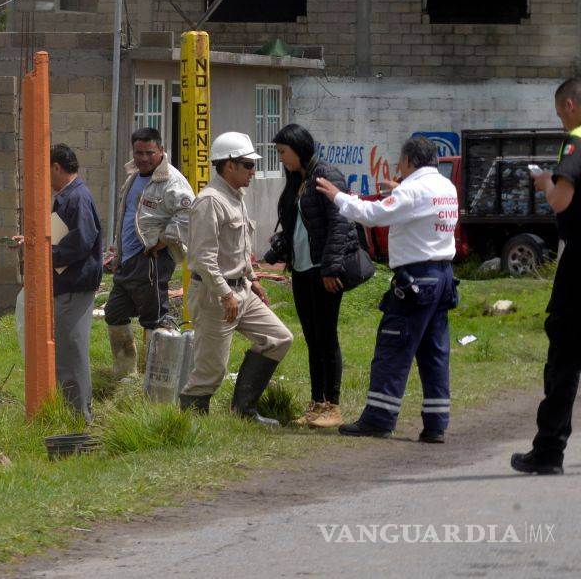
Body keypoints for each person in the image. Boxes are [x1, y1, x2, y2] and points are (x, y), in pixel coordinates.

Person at [315, 136, 459, 442]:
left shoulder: (414, 189)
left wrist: (338, 196)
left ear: (408, 161)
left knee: (394, 346)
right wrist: (398, 193)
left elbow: (372, 215)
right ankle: (436, 424)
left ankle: (379, 419)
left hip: (417, 278)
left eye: (400, 163)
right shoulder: (445, 186)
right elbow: (416, 208)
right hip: (443, 276)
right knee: (434, 352)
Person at [179, 132, 293, 424]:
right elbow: (203, 259)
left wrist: (253, 280)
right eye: (247, 165)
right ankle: (191, 426)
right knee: (211, 369)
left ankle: (244, 411)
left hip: (240, 289)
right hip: (216, 295)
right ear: (229, 165)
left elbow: (238, 249)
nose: (254, 171)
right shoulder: (209, 202)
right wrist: (225, 293)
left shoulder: (235, 196)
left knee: (278, 338)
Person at [264, 124, 360, 428]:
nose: (281, 159)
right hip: (303, 272)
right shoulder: (297, 181)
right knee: (313, 339)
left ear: (299, 148)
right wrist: (277, 252)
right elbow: (296, 227)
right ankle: (317, 403)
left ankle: (332, 405)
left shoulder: (327, 177)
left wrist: (331, 269)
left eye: (283, 152)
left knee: (327, 337)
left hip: (324, 271)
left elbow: (340, 224)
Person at [512, 78, 581, 474]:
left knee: (564, 356)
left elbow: (562, 198)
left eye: (560, 114)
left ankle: (549, 451)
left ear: (570, 105)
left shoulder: (575, 141)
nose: (560, 122)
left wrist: (544, 183)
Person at [9, 145, 104, 419]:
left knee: (71, 354)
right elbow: (60, 238)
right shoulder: (68, 196)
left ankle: (79, 417)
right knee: (65, 352)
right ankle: (72, 412)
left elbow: (82, 241)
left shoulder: (77, 197)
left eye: (44, 170)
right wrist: (31, 243)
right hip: (67, 284)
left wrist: (45, 254)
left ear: (56, 167)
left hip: (75, 285)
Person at [103, 127, 194, 378]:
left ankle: (155, 379)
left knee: (154, 319)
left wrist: (164, 241)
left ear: (161, 151)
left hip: (151, 260)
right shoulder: (133, 176)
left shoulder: (172, 181)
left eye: (149, 153)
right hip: (127, 259)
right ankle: (126, 375)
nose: (143, 158)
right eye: (139, 152)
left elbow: (188, 215)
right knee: (114, 312)